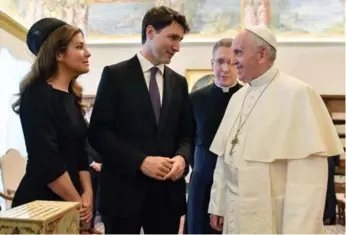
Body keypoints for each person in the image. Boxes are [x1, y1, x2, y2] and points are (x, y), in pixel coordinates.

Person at [208, 25, 344, 234]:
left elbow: (308, 182)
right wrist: (218, 205)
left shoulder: (298, 94)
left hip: (274, 218)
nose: (233, 60)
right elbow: (224, 157)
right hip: (235, 215)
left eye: (238, 52)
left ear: (262, 54)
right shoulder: (237, 98)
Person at [88, 6, 192, 234]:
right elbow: (98, 133)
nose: (177, 47)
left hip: (166, 197)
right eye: (173, 38)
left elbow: (186, 134)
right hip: (123, 194)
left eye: (180, 40)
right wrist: (141, 162)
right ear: (151, 31)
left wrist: (182, 158)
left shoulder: (179, 83)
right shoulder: (115, 75)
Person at [11, 17, 93, 230]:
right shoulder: (37, 94)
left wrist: (88, 194)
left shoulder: (71, 96)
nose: (88, 53)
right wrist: (77, 204)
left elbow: (80, 154)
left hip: (71, 199)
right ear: (58, 54)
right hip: (42, 203)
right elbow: (46, 161)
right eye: (79, 47)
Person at [186, 38, 242, 234]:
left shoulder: (247, 98)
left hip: (237, 183)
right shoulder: (195, 99)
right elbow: (188, 140)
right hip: (203, 180)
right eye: (219, 62)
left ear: (239, 64)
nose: (225, 68)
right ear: (212, 64)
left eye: (231, 62)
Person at [84, 105, 103, 234]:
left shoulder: (101, 123)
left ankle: (91, 226)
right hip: (87, 168)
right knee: (87, 199)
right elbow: (81, 148)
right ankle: (86, 227)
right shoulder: (82, 123)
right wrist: (92, 163)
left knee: (95, 197)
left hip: (101, 167)